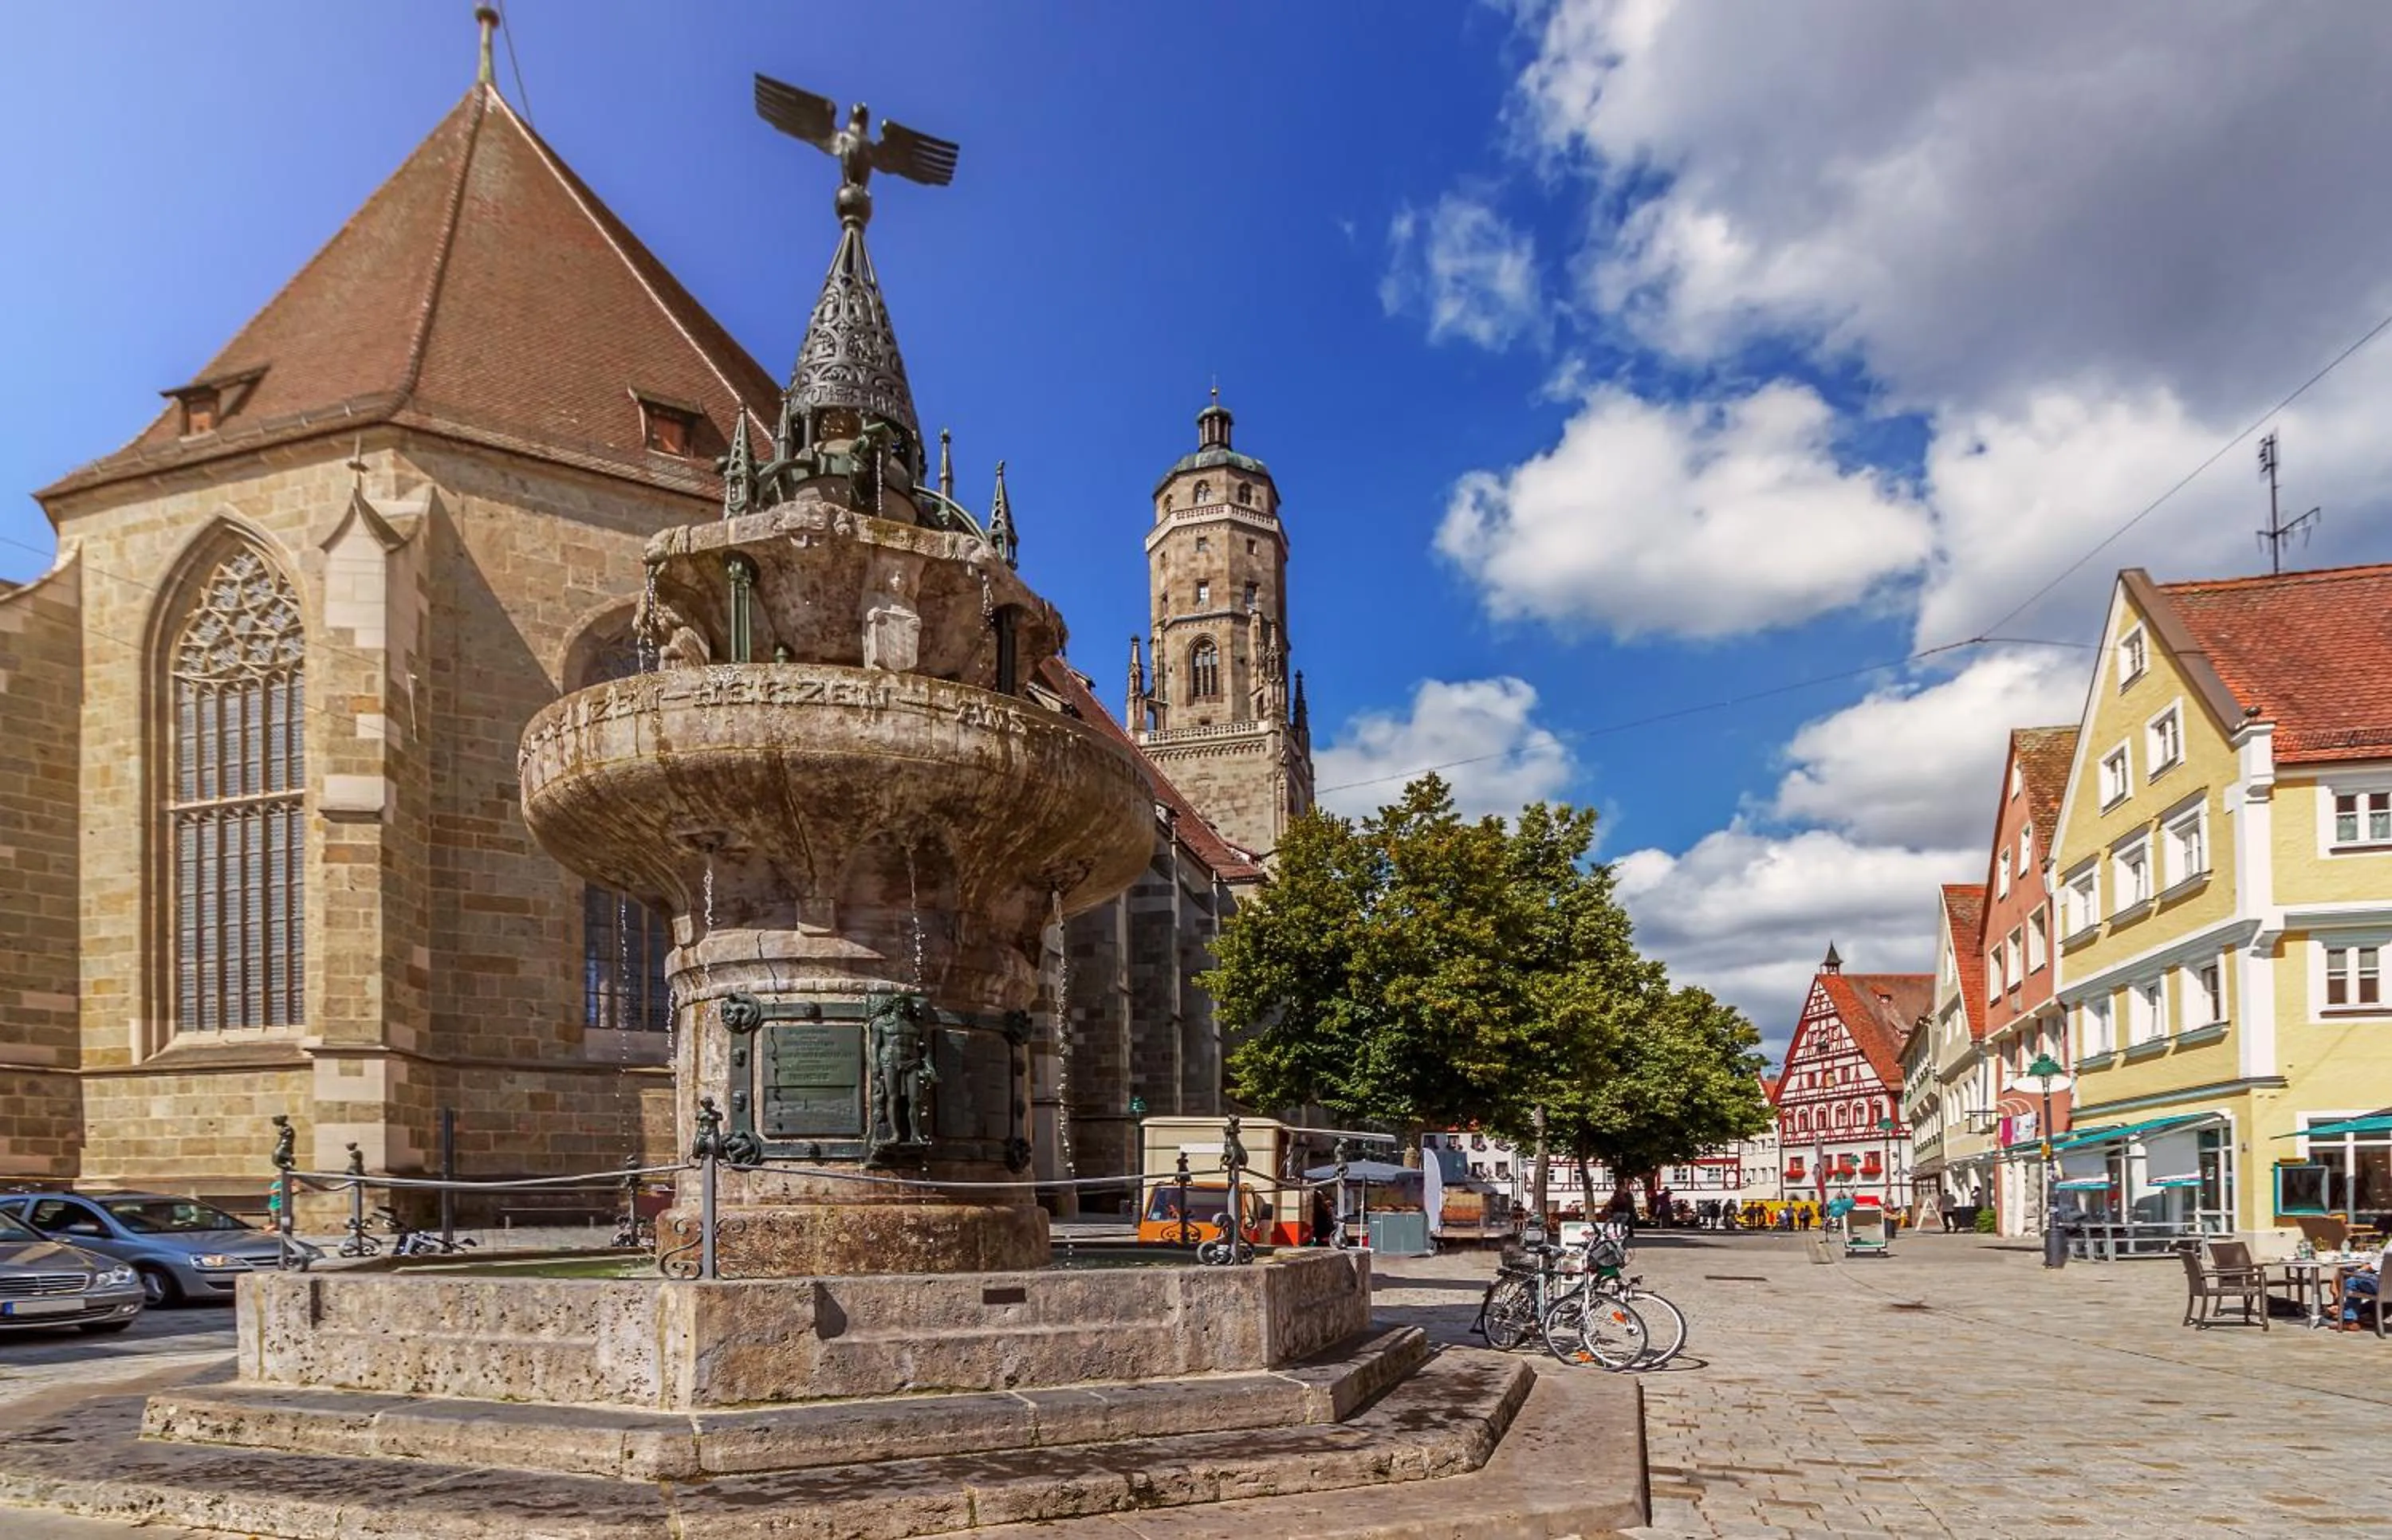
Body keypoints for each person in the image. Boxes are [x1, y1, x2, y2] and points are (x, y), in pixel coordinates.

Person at [2341, 1238, 2392, 1330]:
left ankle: (2349, 1320)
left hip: (2386, 1287)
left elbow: (2375, 1266)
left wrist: (2358, 1272)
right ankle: (2355, 1314)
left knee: (2351, 1280)